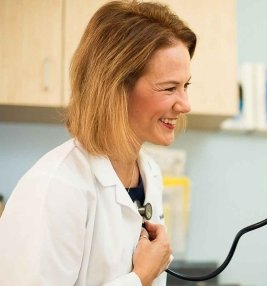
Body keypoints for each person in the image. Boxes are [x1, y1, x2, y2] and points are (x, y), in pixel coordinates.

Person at [0, 1, 196, 285]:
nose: (186, 104)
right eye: (169, 88)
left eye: (185, 86)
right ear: (116, 87)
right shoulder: (55, 186)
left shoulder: (150, 173)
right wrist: (139, 278)